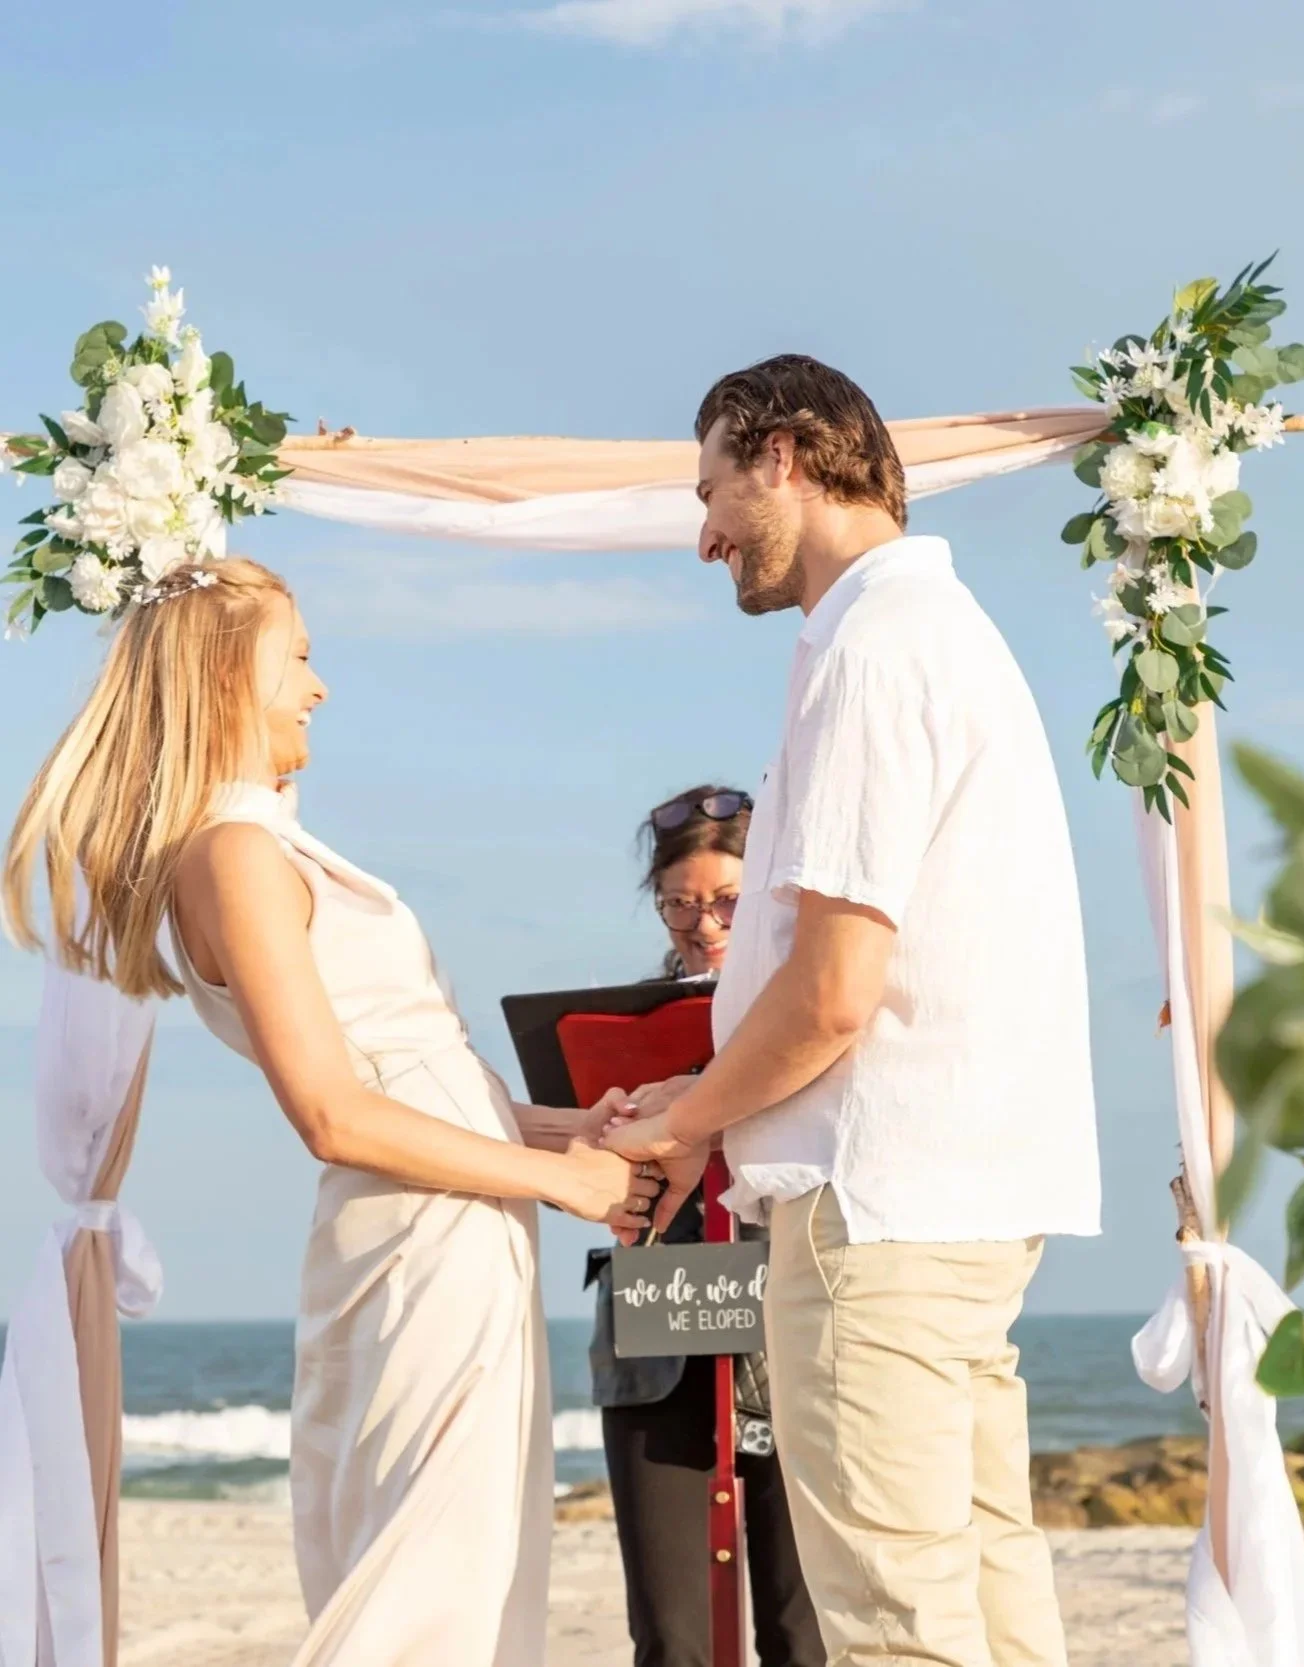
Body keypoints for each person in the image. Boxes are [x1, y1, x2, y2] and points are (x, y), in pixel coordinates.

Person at [3, 558, 659, 1667]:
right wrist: (564, 1179)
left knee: (469, 1570)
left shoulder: (257, 843)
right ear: (224, 676)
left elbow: (416, 1073)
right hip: (421, 1234)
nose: (319, 687)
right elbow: (331, 1110)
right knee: (425, 1590)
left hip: (452, 1217)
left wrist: (565, 1130)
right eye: (297, 656)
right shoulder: (233, 853)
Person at [604, 356, 1101, 1667]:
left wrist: (687, 1122)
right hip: (959, 1200)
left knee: (894, 1626)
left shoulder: (873, 649)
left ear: (781, 457)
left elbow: (832, 990)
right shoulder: (942, 634)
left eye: (709, 489)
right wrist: (700, 1098)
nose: (703, 531)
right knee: (988, 1595)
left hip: (870, 1209)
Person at [586, 786, 823, 1667]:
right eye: (680, 902)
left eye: (725, 900)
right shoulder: (624, 1023)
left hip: (794, 1323)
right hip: (659, 1329)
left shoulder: (817, 1017)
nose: (703, 922)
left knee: (806, 1631)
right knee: (673, 1635)